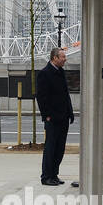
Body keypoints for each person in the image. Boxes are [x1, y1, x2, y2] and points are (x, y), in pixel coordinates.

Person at [36, 46, 74, 186]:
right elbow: (41, 97)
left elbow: (65, 95)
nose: (65, 59)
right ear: (54, 58)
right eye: (62, 57)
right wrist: (46, 115)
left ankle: (54, 174)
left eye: (65, 57)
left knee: (60, 148)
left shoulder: (61, 72)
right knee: (51, 148)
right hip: (52, 118)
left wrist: (70, 112)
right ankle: (46, 176)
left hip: (63, 117)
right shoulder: (44, 74)